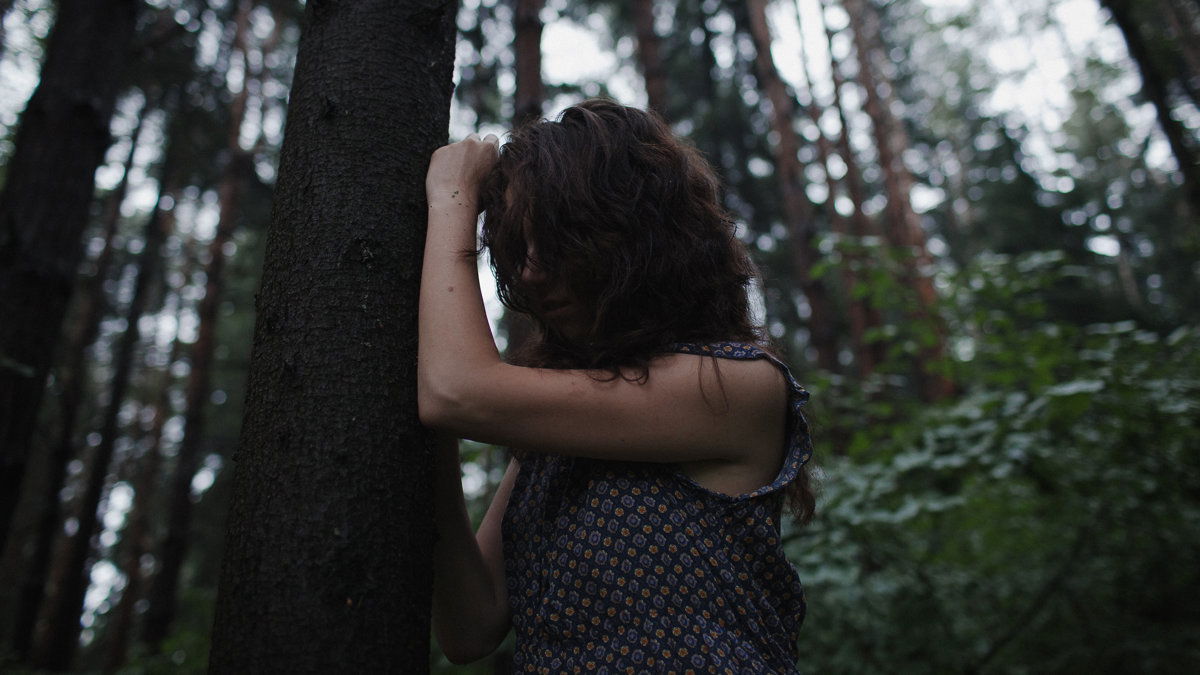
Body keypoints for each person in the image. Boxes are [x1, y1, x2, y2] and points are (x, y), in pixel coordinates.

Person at [418, 98, 815, 673]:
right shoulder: (555, 435)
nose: (530, 272)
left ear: (634, 237)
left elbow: (458, 393)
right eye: (517, 250)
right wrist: (430, 437)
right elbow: (472, 627)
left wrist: (452, 200)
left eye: (554, 242)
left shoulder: (736, 385)